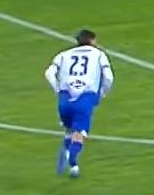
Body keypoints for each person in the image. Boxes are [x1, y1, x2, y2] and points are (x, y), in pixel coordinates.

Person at [45, 29, 114, 178]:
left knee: (69, 130)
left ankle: (67, 150)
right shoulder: (99, 54)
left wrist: (57, 90)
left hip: (65, 97)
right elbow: (108, 77)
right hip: (85, 97)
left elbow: (49, 73)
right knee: (80, 132)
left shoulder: (63, 54)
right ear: (92, 40)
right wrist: (104, 92)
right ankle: (73, 162)